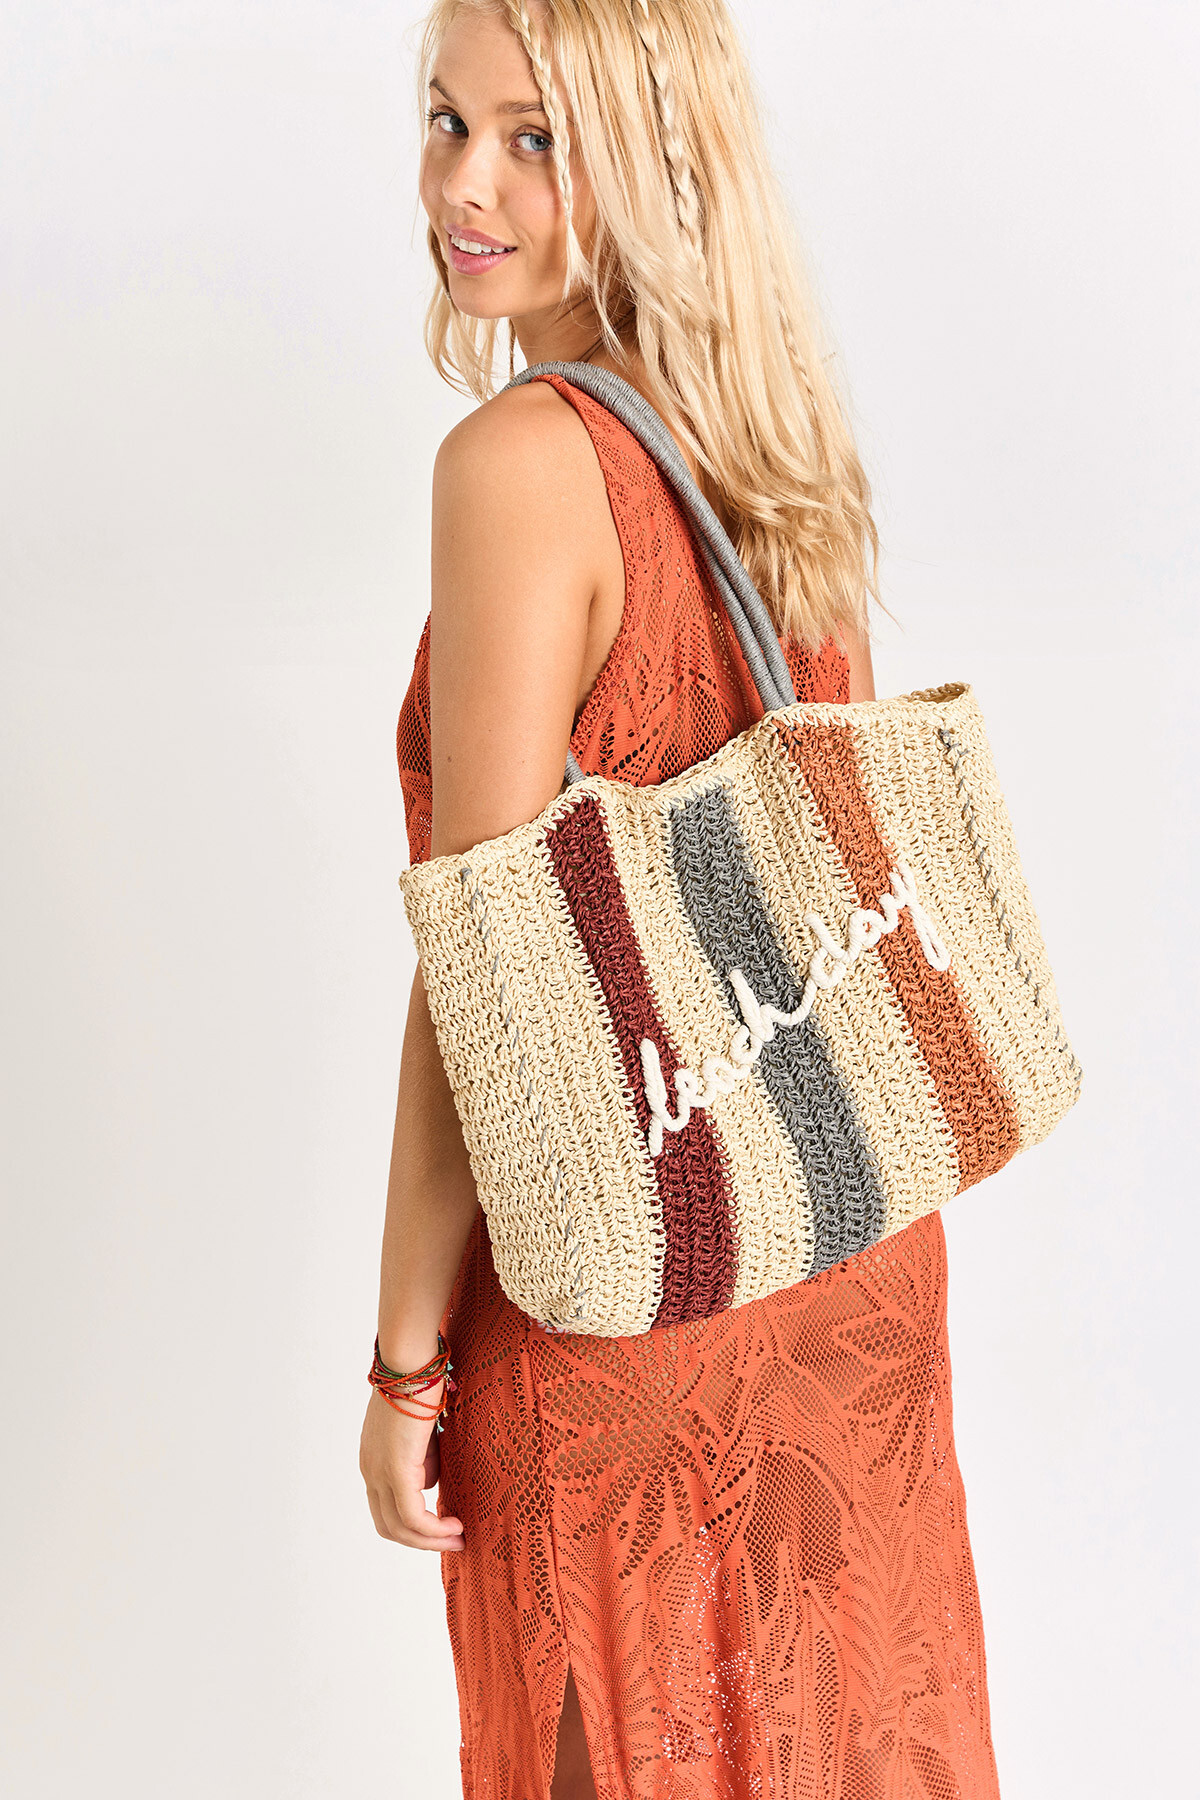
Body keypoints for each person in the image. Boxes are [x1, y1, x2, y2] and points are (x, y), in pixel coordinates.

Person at [360, 2, 1002, 1795]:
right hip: (846, 1260)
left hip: (628, 1304)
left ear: (649, 159)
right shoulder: (768, 427)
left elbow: (483, 990)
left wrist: (405, 1362)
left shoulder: (516, 468)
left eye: (535, 139)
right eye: (446, 120)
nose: (465, 186)